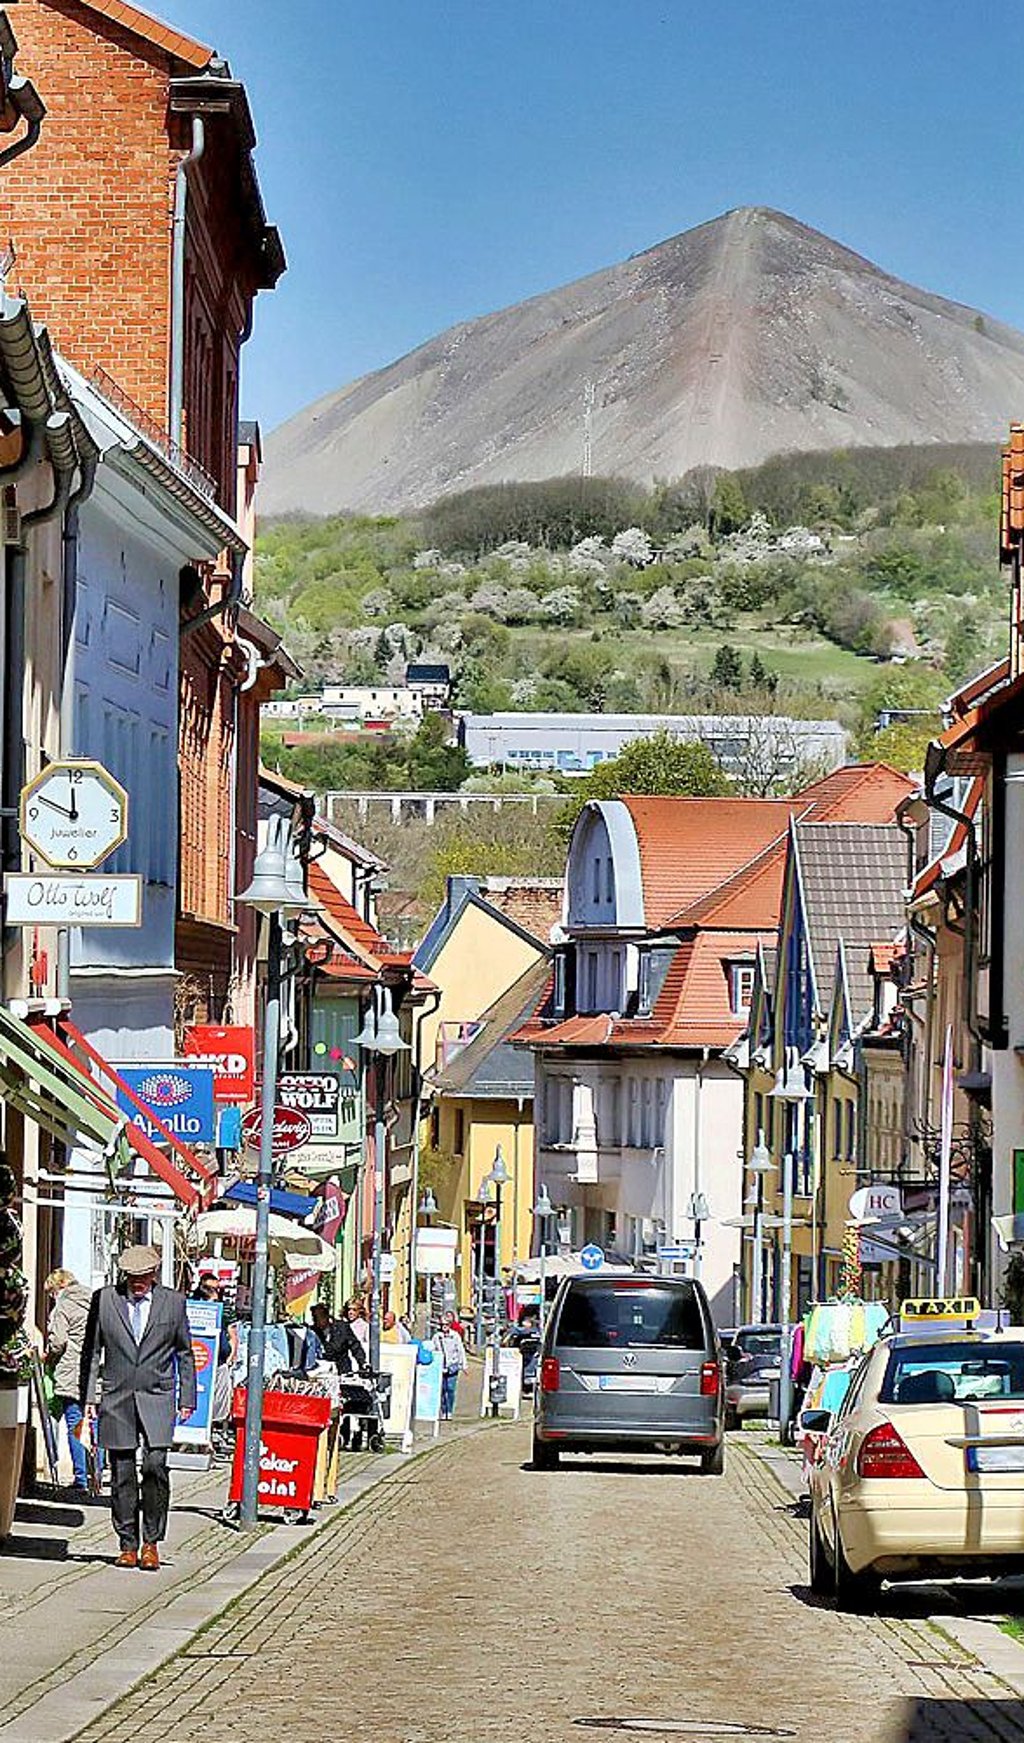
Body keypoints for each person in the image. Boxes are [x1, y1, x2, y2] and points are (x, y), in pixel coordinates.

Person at [80, 1245, 196, 1572]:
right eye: (132, 1277)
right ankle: (127, 1543)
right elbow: (91, 1352)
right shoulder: (105, 1300)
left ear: (154, 1274)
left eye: (143, 1276)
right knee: (122, 1473)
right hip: (117, 1398)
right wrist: (89, 1397)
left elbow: (184, 1353)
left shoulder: (173, 1303)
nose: (138, 1283)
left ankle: (151, 1542)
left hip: (158, 1396)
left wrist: (187, 1398)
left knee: (155, 1465)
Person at [44, 1269, 93, 1493]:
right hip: (93, 1370)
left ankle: (81, 1479)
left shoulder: (64, 1305)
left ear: (59, 1287)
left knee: (75, 1423)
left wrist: (49, 1356)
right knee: (92, 1423)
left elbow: (58, 1341)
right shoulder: (92, 1300)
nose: (52, 1297)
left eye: (52, 1292)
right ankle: (96, 1474)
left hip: (71, 1368)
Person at [309, 1302, 370, 1376]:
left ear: (327, 1316)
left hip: (342, 1370)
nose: (317, 1321)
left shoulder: (342, 1327)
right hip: (321, 1372)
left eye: (320, 1317)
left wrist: (362, 1362)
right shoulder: (312, 1332)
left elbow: (355, 1346)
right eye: (315, 1317)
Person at [433, 1310, 467, 1421]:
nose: (444, 1327)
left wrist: (463, 1365)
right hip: (441, 1366)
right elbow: (433, 1350)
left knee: (451, 1389)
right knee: (442, 1389)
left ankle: (449, 1411)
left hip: (453, 1365)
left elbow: (460, 1350)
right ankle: (443, 1411)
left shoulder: (455, 1336)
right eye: (442, 1325)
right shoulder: (437, 1337)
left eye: (446, 1325)